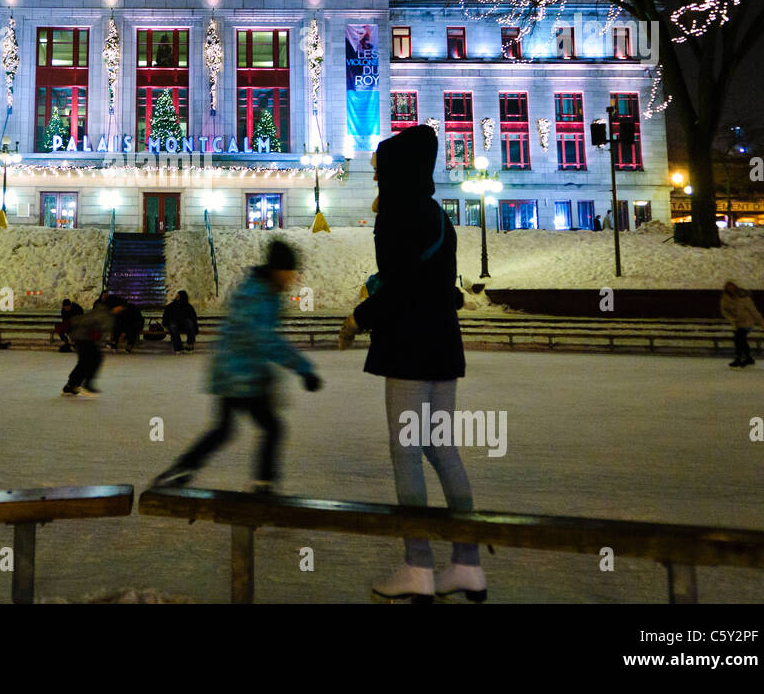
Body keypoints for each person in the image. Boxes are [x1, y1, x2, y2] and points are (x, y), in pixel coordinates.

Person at [348, 124, 483, 604]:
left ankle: (417, 565)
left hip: (409, 346)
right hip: (443, 344)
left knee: (406, 451)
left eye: (378, 168)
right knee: (442, 448)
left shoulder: (396, 215)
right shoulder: (436, 214)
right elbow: (441, 285)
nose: (375, 175)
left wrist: (359, 317)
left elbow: (401, 284)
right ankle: (467, 563)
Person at [153, 240, 321, 494]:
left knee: (224, 430)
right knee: (271, 427)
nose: (294, 277)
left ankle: (184, 467)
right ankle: (263, 483)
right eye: (290, 271)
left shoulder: (259, 290)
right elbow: (265, 340)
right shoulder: (260, 296)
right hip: (242, 375)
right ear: (278, 269)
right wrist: (303, 369)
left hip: (232, 371)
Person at [63, 296, 124, 397]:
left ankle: (71, 385)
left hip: (87, 339)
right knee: (92, 360)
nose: (121, 309)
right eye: (120, 307)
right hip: (83, 338)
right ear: (114, 306)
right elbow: (84, 320)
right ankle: (85, 382)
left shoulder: (108, 314)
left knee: (85, 362)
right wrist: (92, 332)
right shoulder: (102, 313)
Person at [721, 280, 764, 368]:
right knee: (741, 340)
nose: (731, 289)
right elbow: (724, 310)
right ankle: (748, 358)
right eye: (728, 287)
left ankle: (739, 358)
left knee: (739, 339)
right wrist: (730, 318)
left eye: (732, 286)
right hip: (736, 323)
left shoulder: (744, 297)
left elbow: (753, 310)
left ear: (736, 287)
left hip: (747, 322)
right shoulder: (725, 298)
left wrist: (761, 322)